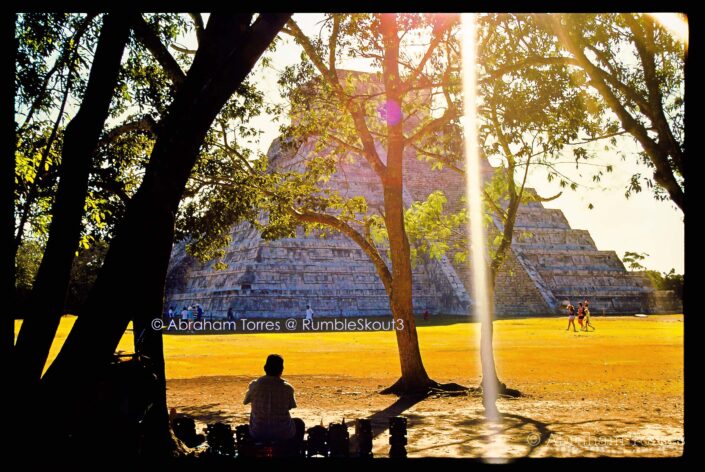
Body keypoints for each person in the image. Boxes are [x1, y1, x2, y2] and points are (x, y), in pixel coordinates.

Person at [243, 354, 305, 450]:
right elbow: (290, 406)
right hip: (283, 432)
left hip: (258, 432)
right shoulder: (287, 388)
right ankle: (296, 452)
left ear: (265, 368)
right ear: (281, 369)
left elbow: (245, 401)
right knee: (299, 423)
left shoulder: (254, 385)